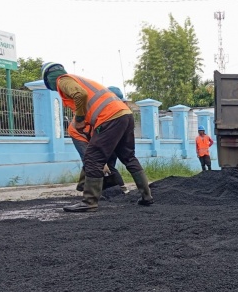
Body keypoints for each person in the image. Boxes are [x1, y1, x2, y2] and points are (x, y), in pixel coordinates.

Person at [42, 62, 154, 212]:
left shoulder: (62, 80)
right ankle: (147, 196)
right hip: (125, 114)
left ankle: (89, 202)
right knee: (128, 157)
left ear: (48, 78)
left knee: (93, 158)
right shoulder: (80, 80)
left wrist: (80, 119)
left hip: (110, 117)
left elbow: (80, 94)